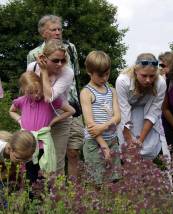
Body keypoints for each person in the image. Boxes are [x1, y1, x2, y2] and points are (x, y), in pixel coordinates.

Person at [27, 15, 83, 178]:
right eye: (53, 29)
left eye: (60, 29)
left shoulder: (70, 48)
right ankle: (41, 194)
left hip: (67, 105)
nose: (58, 32)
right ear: (43, 33)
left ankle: (70, 192)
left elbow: (75, 77)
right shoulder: (33, 57)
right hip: (42, 111)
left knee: (71, 151)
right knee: (39, 158)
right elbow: (29, 86)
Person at [9, 72, 75, 182]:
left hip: (43, 144)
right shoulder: (22, 100)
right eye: (30, 93)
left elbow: (71, 110)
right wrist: (19, 120)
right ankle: (30, 197)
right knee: (29, 175)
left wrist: (53, 120)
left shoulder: (49, 100)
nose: (35, 95)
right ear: (24, 90)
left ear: (41, 85)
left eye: (37, 91)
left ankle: (46, 196)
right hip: (27, 145)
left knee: (45, 174)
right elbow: (11, 111)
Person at [116, 53, 169, 160]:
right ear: (136, 71)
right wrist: (129, 139)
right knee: (128, 154)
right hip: (127, 119)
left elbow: (153, 113)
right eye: (144, 76)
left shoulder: (161, 83)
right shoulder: (122, 81)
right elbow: (124, 112)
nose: (148, 80)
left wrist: (140, 140)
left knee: (148, 148)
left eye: (152, 76)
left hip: (147, 117)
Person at [80, 51, 121, 184]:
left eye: (107, 74)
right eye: (100, 75)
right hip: (94, 143)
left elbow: (118, 117)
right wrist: (104, 146)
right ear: (89, 72)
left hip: (112, 140)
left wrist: (102, 127)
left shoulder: (112, 91)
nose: (104, 78)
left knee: (114, 180)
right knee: (97, 182)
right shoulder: (86, 93)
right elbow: (90, 125)